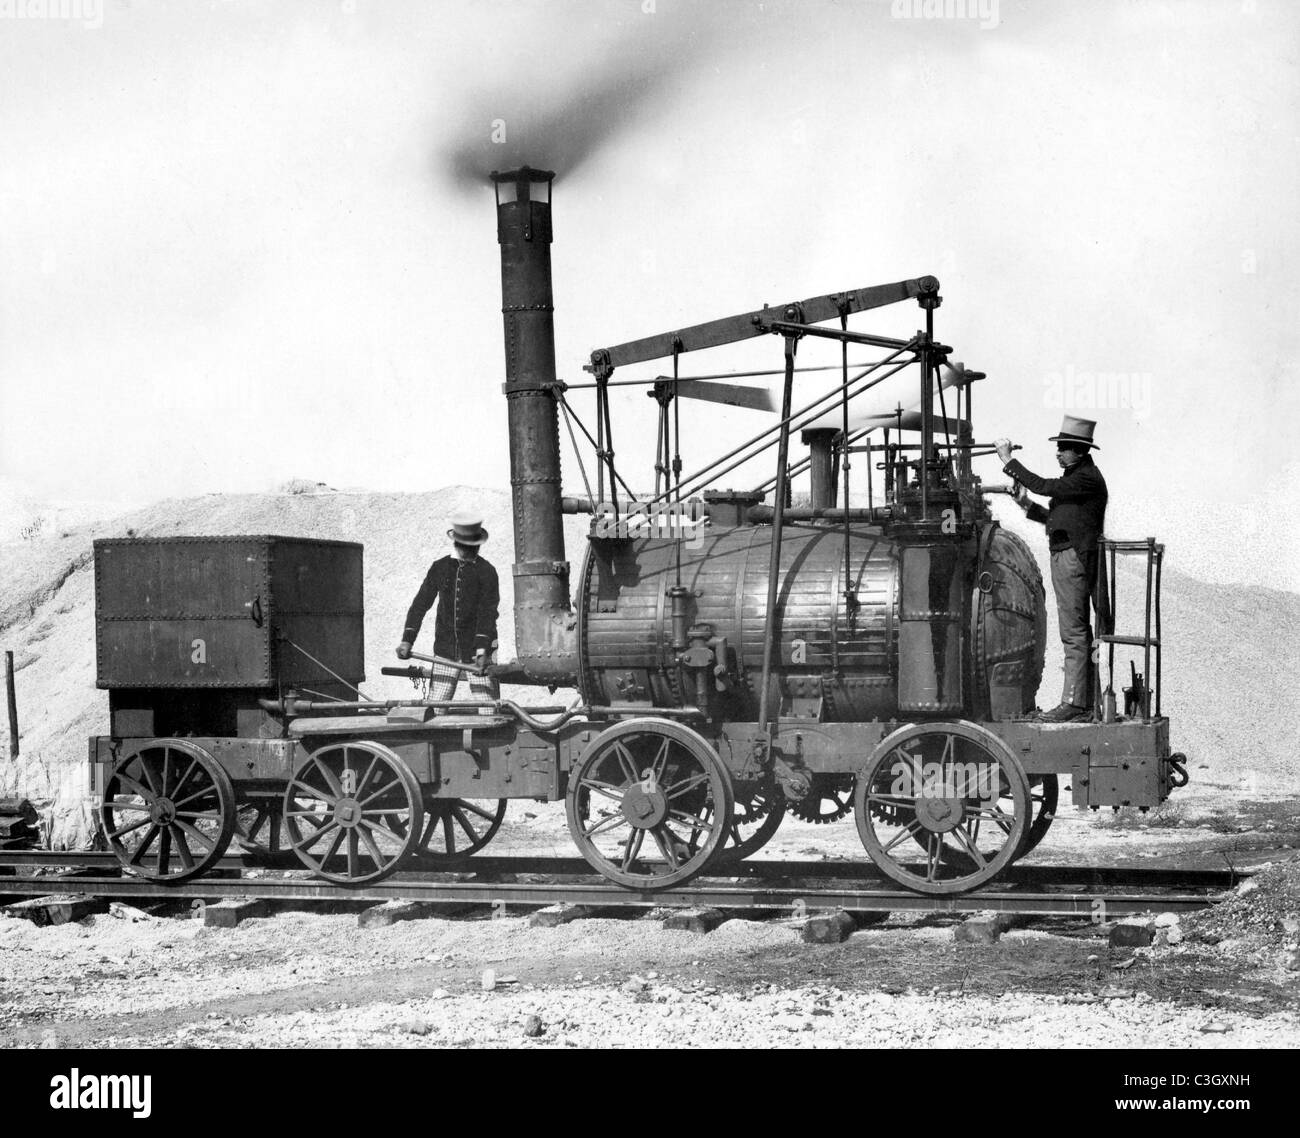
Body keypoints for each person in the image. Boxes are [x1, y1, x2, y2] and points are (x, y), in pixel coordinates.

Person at [994, 416, 1108, 723]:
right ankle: (1084, 702)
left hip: (1072, 560)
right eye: (1058, 447)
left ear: (1080, 451)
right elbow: (1058, 521)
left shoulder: (1085, 478)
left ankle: (1074, 703)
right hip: (1067, 557)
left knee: (1073, 633)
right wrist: (1024, 504)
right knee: (1077, 632)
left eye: (1064, 448)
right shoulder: (1078, 479)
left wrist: (1008, 460)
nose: (1058, 453)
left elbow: (1046, 486)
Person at [396, 511, 500, 704]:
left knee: (488, 706)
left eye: (474, 546)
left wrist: (481, 651)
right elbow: (420, 605)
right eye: (466, 546)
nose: (471, 550)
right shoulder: (440, 567)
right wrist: (407, 641)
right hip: (445, 651)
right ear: (457, 543)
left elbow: (488, 613)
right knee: (436, 705)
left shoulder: (487, 572)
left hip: (478, 652)